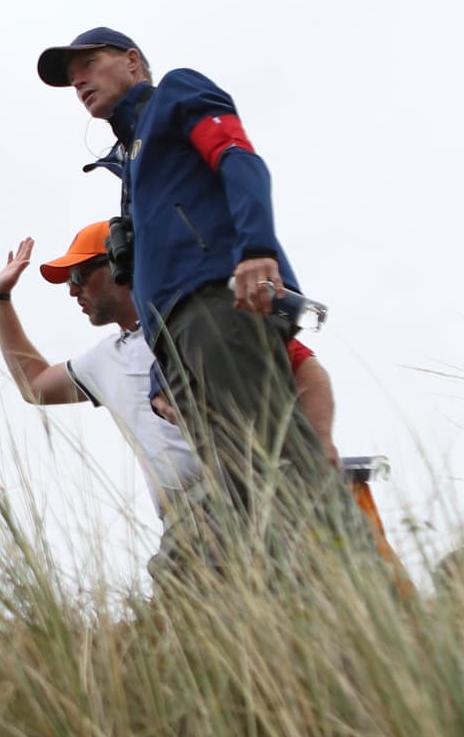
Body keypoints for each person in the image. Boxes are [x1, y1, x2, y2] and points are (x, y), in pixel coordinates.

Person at [36, 28, 365, 557]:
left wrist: (257, 248)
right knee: (244, 491)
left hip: (219, 300)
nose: (78, 81)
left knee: (277, 463)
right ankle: (302, 617)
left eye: (89, 64)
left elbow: (238, 157)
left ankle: (362, 589)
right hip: (181, 335)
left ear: (132, 62)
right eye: (71, 77)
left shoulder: (177, 93)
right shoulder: (133, 161)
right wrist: (165, 373)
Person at [0, 222, 371, 578]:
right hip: (183, 519)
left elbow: (305, 367)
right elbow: (34, 384)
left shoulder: (194, 321)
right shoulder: (103, 359)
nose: (73, 291)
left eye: (79, 275)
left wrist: (320, 443)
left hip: (244, 492)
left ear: (119, 266)